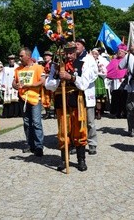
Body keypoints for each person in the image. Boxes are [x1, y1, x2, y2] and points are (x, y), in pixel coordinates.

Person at [45, 42, 90, 172]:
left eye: (71, 52)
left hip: (76, 99)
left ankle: (81, 159)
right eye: (67, 53)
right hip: (61, 100)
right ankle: (64, 159)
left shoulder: (82, 64)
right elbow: (49, 85)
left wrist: (71, 77)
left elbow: (84, 84)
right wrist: (59, 78)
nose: (69, 55)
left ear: (76, 52)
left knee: (79, 129)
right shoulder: (56, 66)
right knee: (63, 130)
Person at [13, 47, 46, 157]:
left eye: (21, 56)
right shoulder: (18, 69)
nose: (20, 57)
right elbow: (14, 82)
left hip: (35, 98)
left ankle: (39, 146)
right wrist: (16, 86)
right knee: (27, 123)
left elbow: (42, 81)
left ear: (28, 56)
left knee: (36, 122)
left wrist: (29, 85)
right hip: (23, 99)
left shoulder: (38, 67)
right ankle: (30, 144)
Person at [75, 38, 99, 155]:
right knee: (77, 121)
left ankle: (92, 143)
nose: (76, 46)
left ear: (83, 46)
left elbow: (94, 74)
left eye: (78, 44)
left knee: (90, 121)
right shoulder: (72, 59)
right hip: (75, 94)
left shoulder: (89, 59)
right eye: (75, 45)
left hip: (87, 92)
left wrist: (83, 81)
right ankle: (78, 143)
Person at [118, 44, 134, 137]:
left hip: (132, 86)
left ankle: (131, 130)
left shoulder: (128, 56)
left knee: (131, 109)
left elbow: (120, 66)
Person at [106, 44, 128, 118]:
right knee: (116, 97)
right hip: (115, 82)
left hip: (124, 81)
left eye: (121, 51)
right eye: (119, 51)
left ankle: (124, 112)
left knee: (124, 97)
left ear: (125, 53)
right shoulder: (114, 60)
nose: (119, 52)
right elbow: (108, 70)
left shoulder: (127, 60)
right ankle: (116, 112)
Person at [91, 48, 109, 120]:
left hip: (98, 79)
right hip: (91, 79)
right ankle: (93, 111)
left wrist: (99, 70)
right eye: (93, 54)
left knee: (98, 97)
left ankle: (98, 112)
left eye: (96, 54)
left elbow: (104, 71)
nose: (94, 55)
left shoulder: (101, 61)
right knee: (92, 96)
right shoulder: (89, 61)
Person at [41, 51, 54, 119]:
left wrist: (46, 75)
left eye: (47, 55)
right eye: (45, 55)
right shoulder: (43, 64)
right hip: (45, 83)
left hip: (52, 83)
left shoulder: (53, 64)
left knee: (53, 97)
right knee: (45, 98)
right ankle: (47, 112)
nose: (45, 57)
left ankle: (55, 113)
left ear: (51, 57)